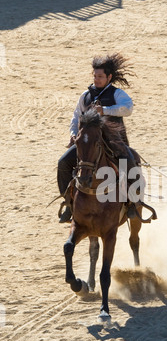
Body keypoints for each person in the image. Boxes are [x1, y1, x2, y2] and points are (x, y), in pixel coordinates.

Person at [57, 53, 134, 223]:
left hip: (113, 142)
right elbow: (76, 116)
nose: (97, 79)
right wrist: (73, 133)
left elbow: (127, 109)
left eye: (100, 76)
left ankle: (133, 204)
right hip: (87, 143)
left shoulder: (117, 94)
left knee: (130, 162)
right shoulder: (85, 95)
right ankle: (69, 203)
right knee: (63, 163)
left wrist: (105, 110)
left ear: (109, 77)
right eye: (95, 76)